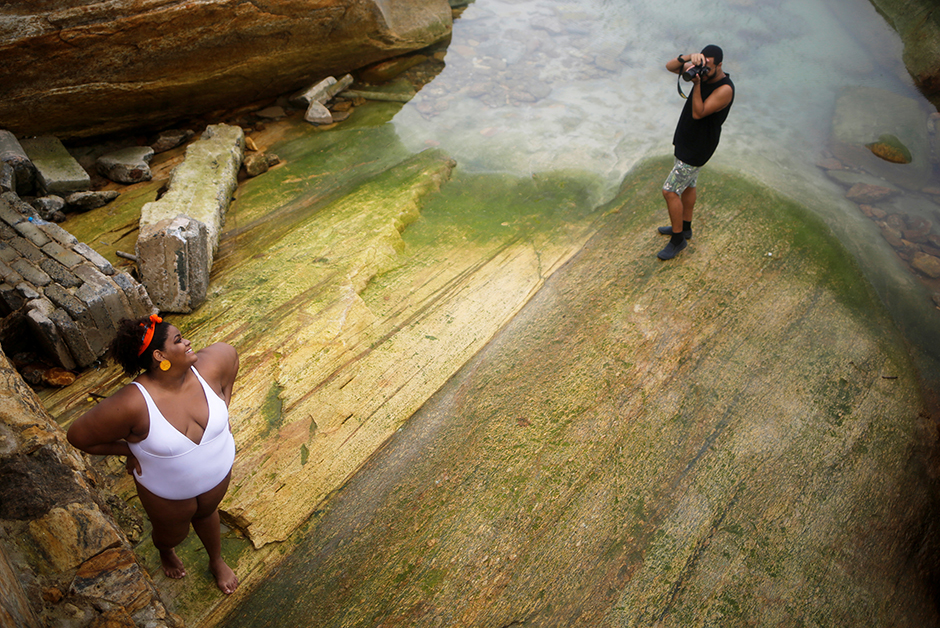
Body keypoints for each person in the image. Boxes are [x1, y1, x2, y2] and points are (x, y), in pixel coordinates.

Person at [67, 314, 240, 594]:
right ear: (160, 355)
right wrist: (129, 449)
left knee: (208, 513)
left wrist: (225, 403)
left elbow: (232, 358)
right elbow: (78, 436)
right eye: (179, 340)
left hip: (217, 475)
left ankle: (216, 560)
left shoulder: (209, 366)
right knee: (172, 533)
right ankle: (166, 551)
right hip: (167, 491)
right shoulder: (134, 402)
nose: (188, 342)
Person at [657, 44, 735, 260]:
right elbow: (670, 66)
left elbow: (699, 112)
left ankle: (678, 239)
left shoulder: (725, 89)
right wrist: (690, 57)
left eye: (710, 66)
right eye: (704, 64)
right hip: (686, 138)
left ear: (720, 65)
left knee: (670, 191)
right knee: (689, 185)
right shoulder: (701, 69)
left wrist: (698, 83)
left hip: (698, 147)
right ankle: (685, 227)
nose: (705, 69)